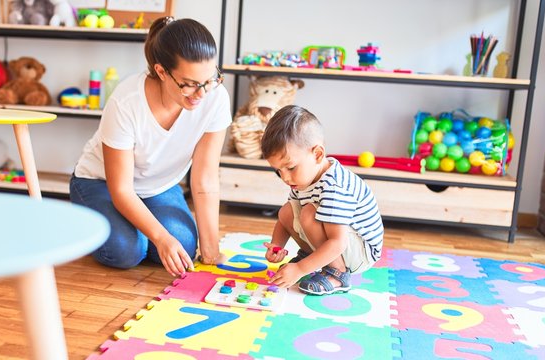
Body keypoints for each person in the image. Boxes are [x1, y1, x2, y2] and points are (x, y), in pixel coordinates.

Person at [70, 17, 231, 277]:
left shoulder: (215, 98)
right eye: (189, 84)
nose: (201, 93)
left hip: (157, 186)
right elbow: (121, 190)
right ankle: (86, 222)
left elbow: (205, 182)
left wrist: (210, 249)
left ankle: (131, 231)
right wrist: (160, 237)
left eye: (210, 79)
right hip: (100, 183)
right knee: (126, 251)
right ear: (161, 71)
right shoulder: (126, 102)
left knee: (185, 246)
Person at [261, 105, 384, 295]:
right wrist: (277, 245)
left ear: (317, 154)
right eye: (278, 171)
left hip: (361, 252)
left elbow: (338, 243)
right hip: (338, 242)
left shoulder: (335, 187)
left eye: (291, 168)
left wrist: (301, 269)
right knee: (287, 211)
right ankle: (313, 257)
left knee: (309, 213)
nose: (285, 177)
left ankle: (338, 274)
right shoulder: (302, 180)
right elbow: (287, 218)